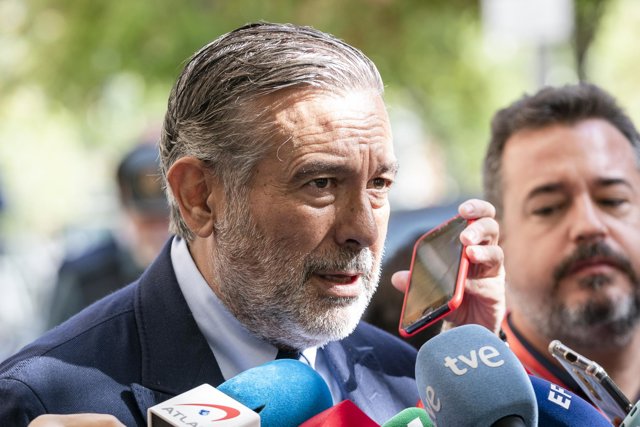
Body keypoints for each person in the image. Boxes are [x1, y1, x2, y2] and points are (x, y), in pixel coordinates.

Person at [0, 22, 505, 426]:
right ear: (199, 196)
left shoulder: (409, 382)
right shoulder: (41, 401)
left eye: (379, 184)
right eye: (321, 183)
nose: (364, 229)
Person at [483, 82, 640, 402]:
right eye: (549, 208)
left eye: (613, 200)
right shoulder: (472, 405)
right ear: (498, 239)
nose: (589, 225)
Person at [47, 142, 170, 327]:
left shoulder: (192, 273)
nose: (158, 231)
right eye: (148, 221)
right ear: (126, 211)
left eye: (165, 219)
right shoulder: (85, 275)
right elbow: (54, 338)